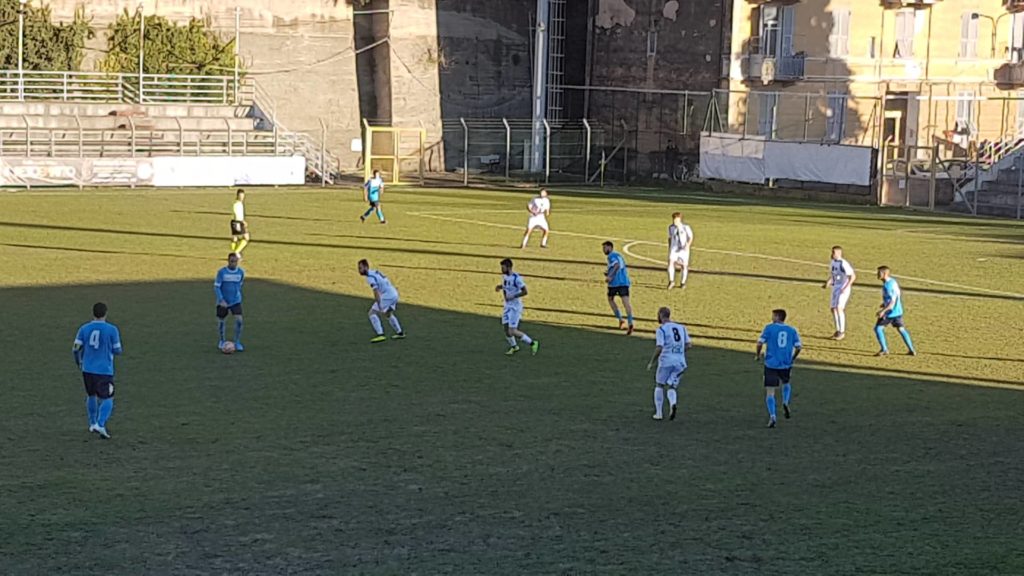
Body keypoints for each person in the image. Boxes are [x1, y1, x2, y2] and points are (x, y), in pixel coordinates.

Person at [72, 302, 123, 440]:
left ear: (93, 313)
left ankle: (92, 423)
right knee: (108, 398)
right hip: (104, 370)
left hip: (87, 369)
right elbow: (118, 350)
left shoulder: (84, 328)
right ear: (106, 313)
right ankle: (100, 424)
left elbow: (75, 349)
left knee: (91, 395)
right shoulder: (112, 329)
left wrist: (79, 361)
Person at [755, 308, 802, 428]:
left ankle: (772, 416)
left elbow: (759, 343)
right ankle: (785, 402)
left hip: (771, 364)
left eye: (773, 316)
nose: (772, 318)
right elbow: (798, 347)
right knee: (786, 383)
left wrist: (758, 355)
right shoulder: (792, 330)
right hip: (786, 363)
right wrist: (793, 358)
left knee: (770, 391)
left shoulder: (769, 328)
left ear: (777, 317)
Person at [646, 307, 692, 421]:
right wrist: (678, 352)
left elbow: (659, 347)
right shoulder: (682, 328)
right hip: (680, 362)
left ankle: (659, 413)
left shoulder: (661, 330)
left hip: (666, 361)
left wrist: (652, 362)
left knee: (659, 385)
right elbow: (688, 345)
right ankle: (672, 403)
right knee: (672, 386)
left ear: (661, 315)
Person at [495, 258, 540, 356]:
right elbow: (506, 286)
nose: (501, 269)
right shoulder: (505, 277)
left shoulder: (517, 279)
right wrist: (499, 287)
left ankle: (533, 343)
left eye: (503, 267)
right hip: (507, 306)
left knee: (512, 331)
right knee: (506, 329)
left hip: (515, 307)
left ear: (509, 267)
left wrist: (513, 296)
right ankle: (514, 347)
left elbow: (525, 291)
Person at [358, 259, 405, 343]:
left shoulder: (370, 277)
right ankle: (400, 333)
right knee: (388, 313)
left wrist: (379, 303)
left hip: (387, 295)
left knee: (372, 313)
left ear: (366, 267)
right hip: (394, 293)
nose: (359, 270)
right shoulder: (375, 271)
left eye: (360, 268)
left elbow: (376, 291)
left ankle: (380, 334)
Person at [874, 266, 916, 357]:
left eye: (879, 273)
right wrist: (884, 303)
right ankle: (912, 350)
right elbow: (895, 296)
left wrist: (883, 311)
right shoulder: (893, 281)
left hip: (890, 313)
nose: (877, 274)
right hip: (898, 311)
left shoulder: (888, 286)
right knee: (901, 329)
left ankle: (884, 349)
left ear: (885, 273)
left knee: (878, 328)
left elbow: (892, 303)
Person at [823, 245, 855, 340]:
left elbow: (853, 276)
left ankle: (842, 331)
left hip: (843, 288)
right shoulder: (833, 262)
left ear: (839, 253)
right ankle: (837, 331)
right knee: (833, 309)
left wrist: (845, 287)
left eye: (834, 252)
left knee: (839, 308)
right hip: (835, 287)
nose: (832, 254)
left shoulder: (843, 263)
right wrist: (828, 282)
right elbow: (834, 275)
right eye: (832, 252)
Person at [215, 252, 245, 351]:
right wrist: (221, 299)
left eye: (235, 261)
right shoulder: (222, 272)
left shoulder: (240, 272)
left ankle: (237, 342)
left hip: (235, 301)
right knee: (221, 321)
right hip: (223, 301)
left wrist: (236, 295)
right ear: (228, 261)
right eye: (232, 261)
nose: (233, 263)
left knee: (239, 320)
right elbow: (217, 287)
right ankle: (222, 340)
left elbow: (239, 284)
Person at [603, 241, 634, 334]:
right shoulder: (619, 255)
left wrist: (610, 276)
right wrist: (608, 272)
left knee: (610, 299)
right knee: (626, 303)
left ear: (610, 247)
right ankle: (630, 322)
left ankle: (621, 320)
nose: (603, 250)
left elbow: (617, 265)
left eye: (605, 248)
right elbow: (618, 266)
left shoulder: (611, 256)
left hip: (615, 283)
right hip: (624, 282)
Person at [667, 212, 694, 289]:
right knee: (671, 262)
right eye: (673, 219)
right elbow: (670, 237)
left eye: (676, 220)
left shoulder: (685, 227)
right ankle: (671, 281)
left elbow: (691, 237)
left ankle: (683, 283)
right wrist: (670, 247)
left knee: (684, 266)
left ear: (680, 219)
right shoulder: (671, 227)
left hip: (683, 249)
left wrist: (687, 245)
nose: (674, 221)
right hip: (674, 248)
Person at [230, 189, 250, 257]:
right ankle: (236, 252)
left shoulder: (239, 203)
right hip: (237, 222)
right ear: (237, 196)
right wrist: (243, 221)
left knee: (235, 238)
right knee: (246, 238)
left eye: (243, 196)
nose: (242, 197)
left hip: (235, 222)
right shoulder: (237, 204)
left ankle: (234, 253)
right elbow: (237, 215)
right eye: (240, 196)